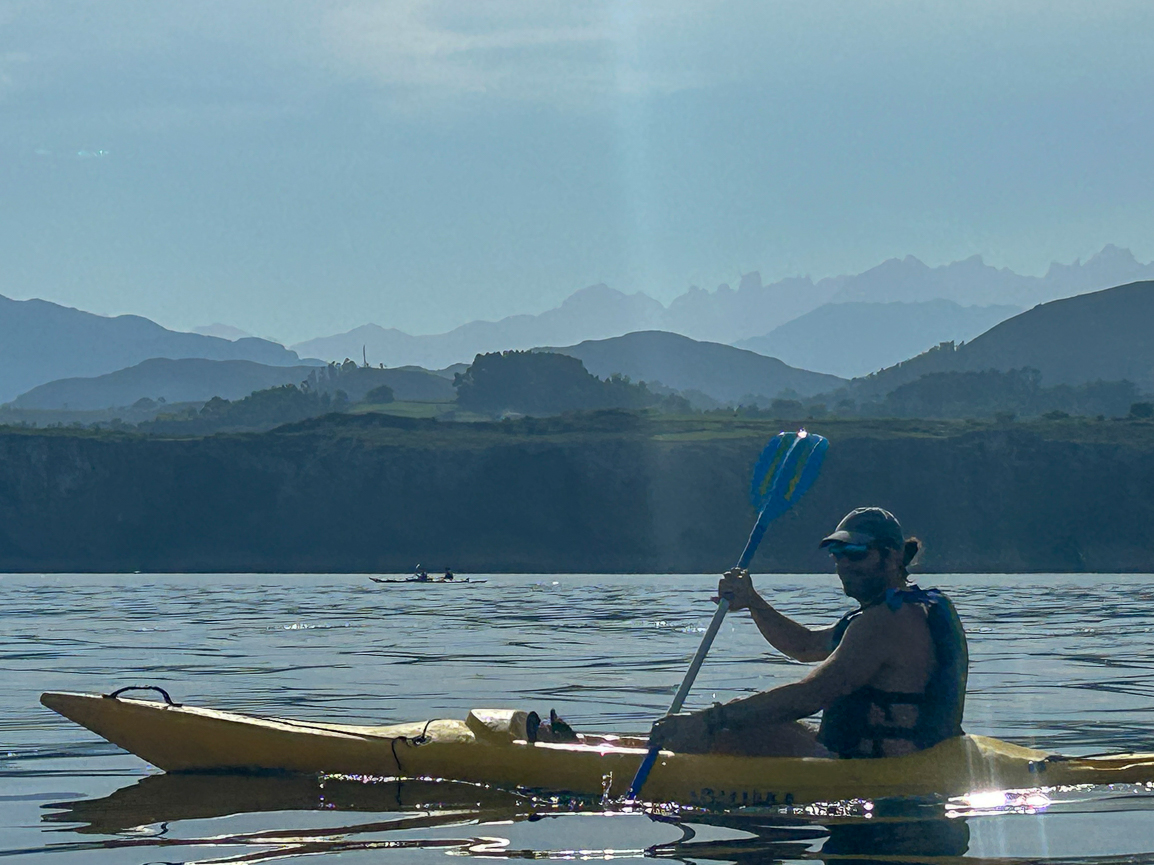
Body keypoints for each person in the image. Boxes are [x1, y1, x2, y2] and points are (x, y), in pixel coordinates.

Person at [649, 507, 968, 759]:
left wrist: (709, 720)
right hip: (915, 756)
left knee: (727, 730)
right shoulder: (920, 606)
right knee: (755, 721)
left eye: (857, 552)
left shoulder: (885, 622)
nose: (844, 564)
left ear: (893, 555)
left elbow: (811, 694)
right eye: (837, 553)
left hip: (878, 768)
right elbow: (806, 646)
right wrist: (753, 602)